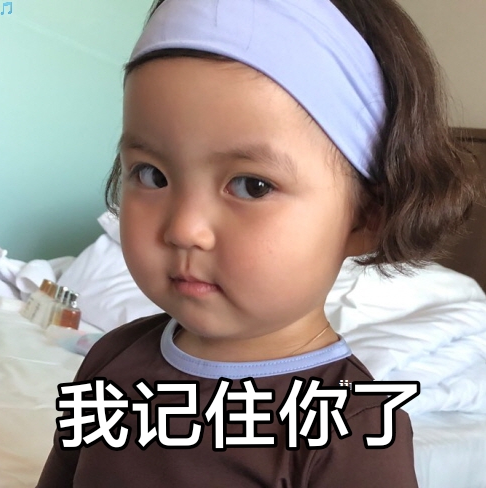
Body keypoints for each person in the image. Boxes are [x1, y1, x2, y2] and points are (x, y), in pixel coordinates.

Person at [37, 0, 479, 486]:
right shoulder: (111, 359)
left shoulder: (352, 429)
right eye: (152, 174)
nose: (184, 229)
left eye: (252, 186)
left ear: (366, 217)